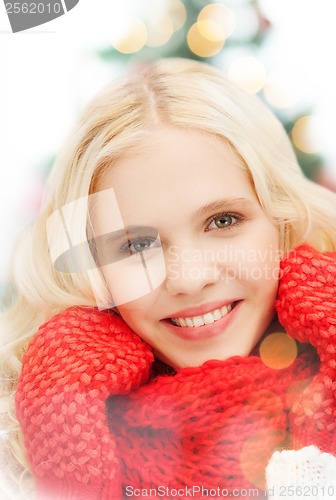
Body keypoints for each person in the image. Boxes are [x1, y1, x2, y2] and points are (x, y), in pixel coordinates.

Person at [1, 57, 336, 499]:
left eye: (222, 220)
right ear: (92, 270)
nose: (189, 279)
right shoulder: (15, 453)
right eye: (137, 246)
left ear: (279, 218)